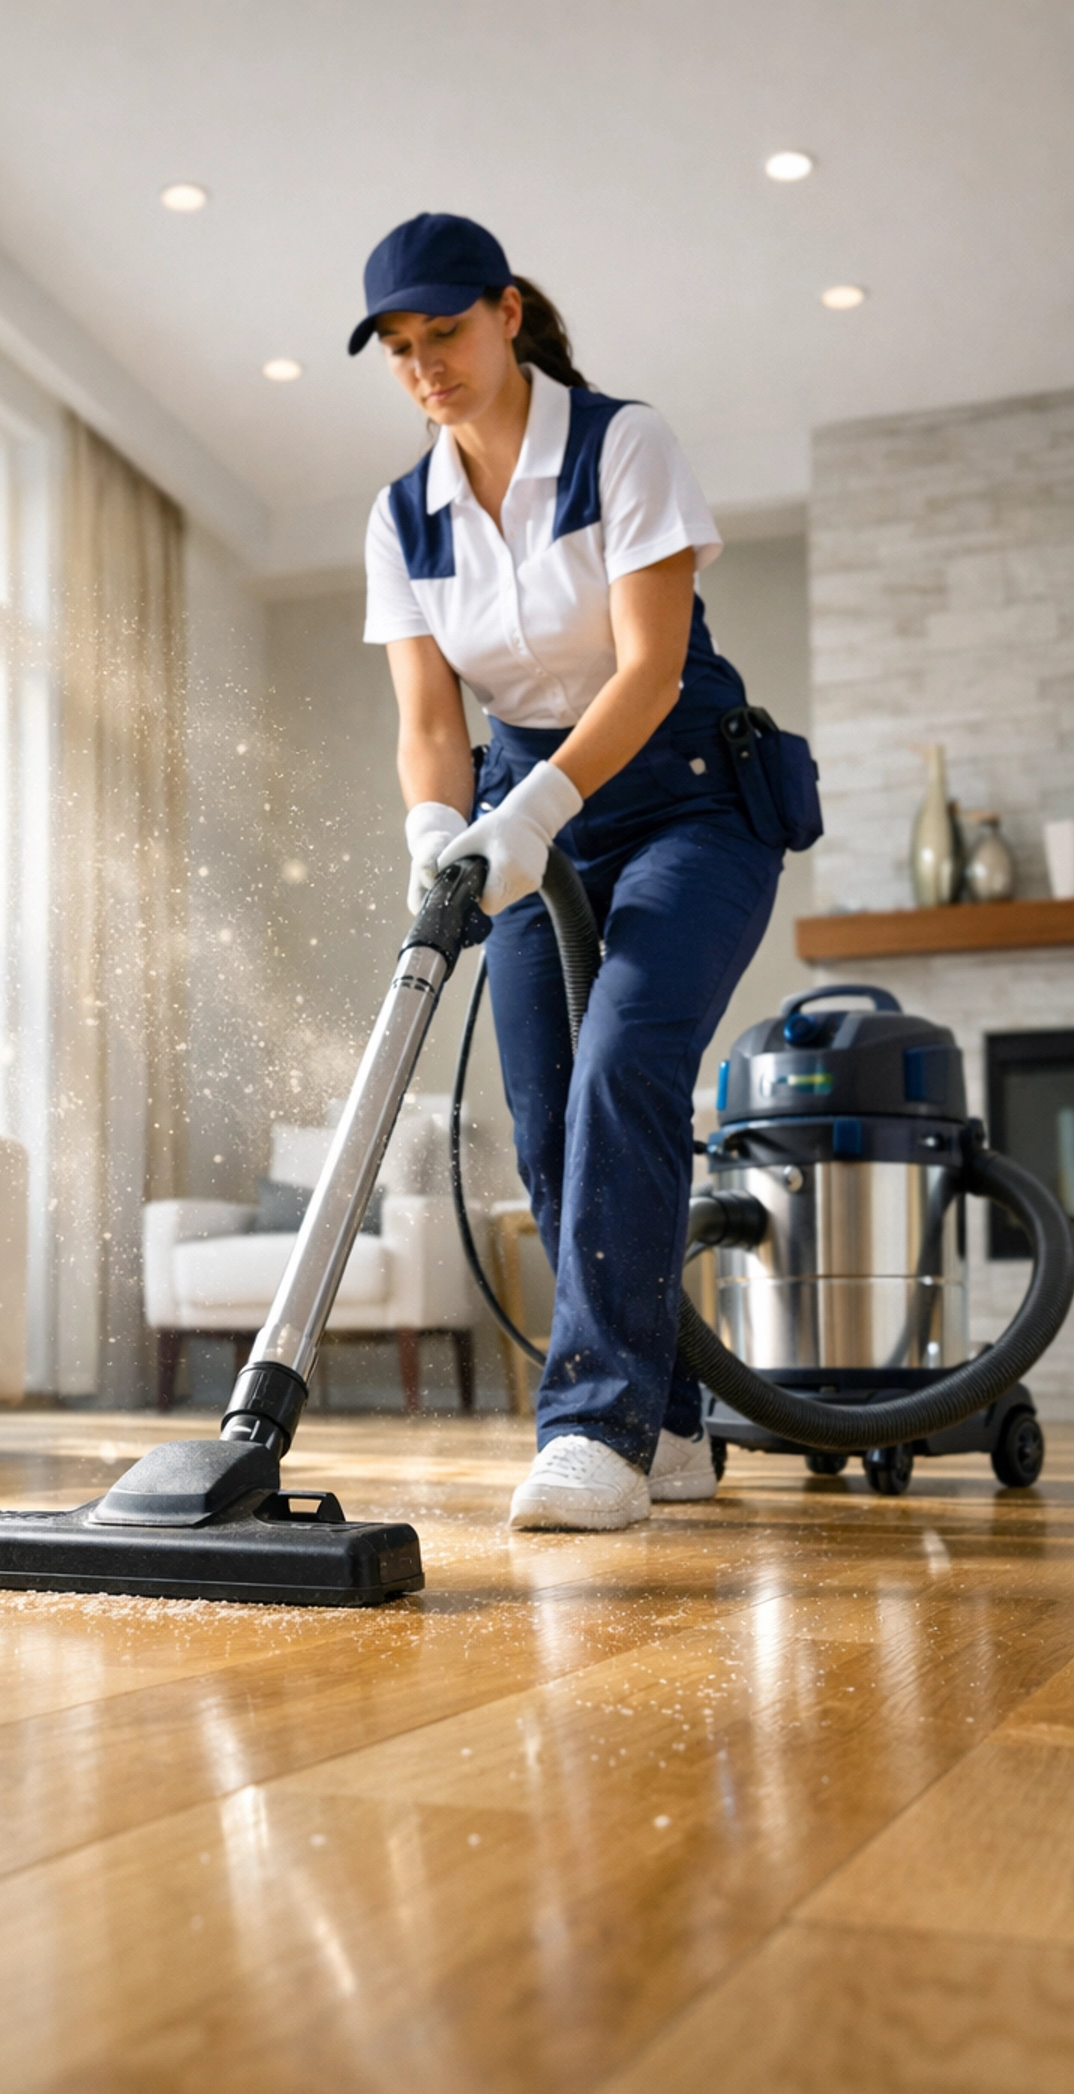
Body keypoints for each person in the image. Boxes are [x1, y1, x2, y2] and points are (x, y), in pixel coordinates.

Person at [352, 211, 789, 1533]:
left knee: (625, 1064)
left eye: (445, 331)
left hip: (691, 804)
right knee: (544, 1123)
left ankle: (594, 1428)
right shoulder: (403, 516)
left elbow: (650, 669)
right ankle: (670, 1420)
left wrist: (536, 805)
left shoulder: (620, 444)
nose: (426, 364)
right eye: (399, 347)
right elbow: (430, 720)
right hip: (525, 827)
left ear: (506, 313)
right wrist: (438, 830)